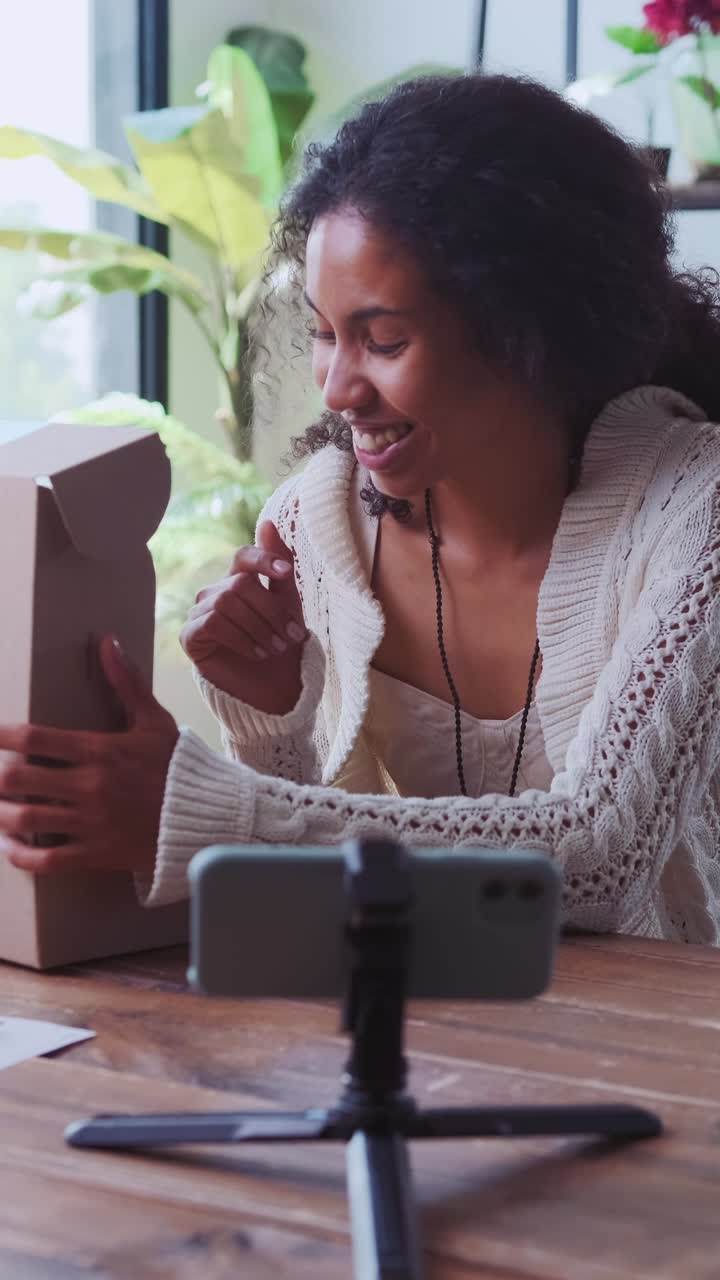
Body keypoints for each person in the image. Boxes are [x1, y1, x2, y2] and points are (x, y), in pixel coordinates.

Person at [2, 72, 720, 944]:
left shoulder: (696, 510)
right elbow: (338, 872)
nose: (339, 389)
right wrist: (274, 718)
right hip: (440, 1026)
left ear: (529, 328)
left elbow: (602, 857)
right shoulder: (322, 523)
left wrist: (207, 811)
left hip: (670, 1044)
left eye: (383, 341)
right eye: (323, 332)